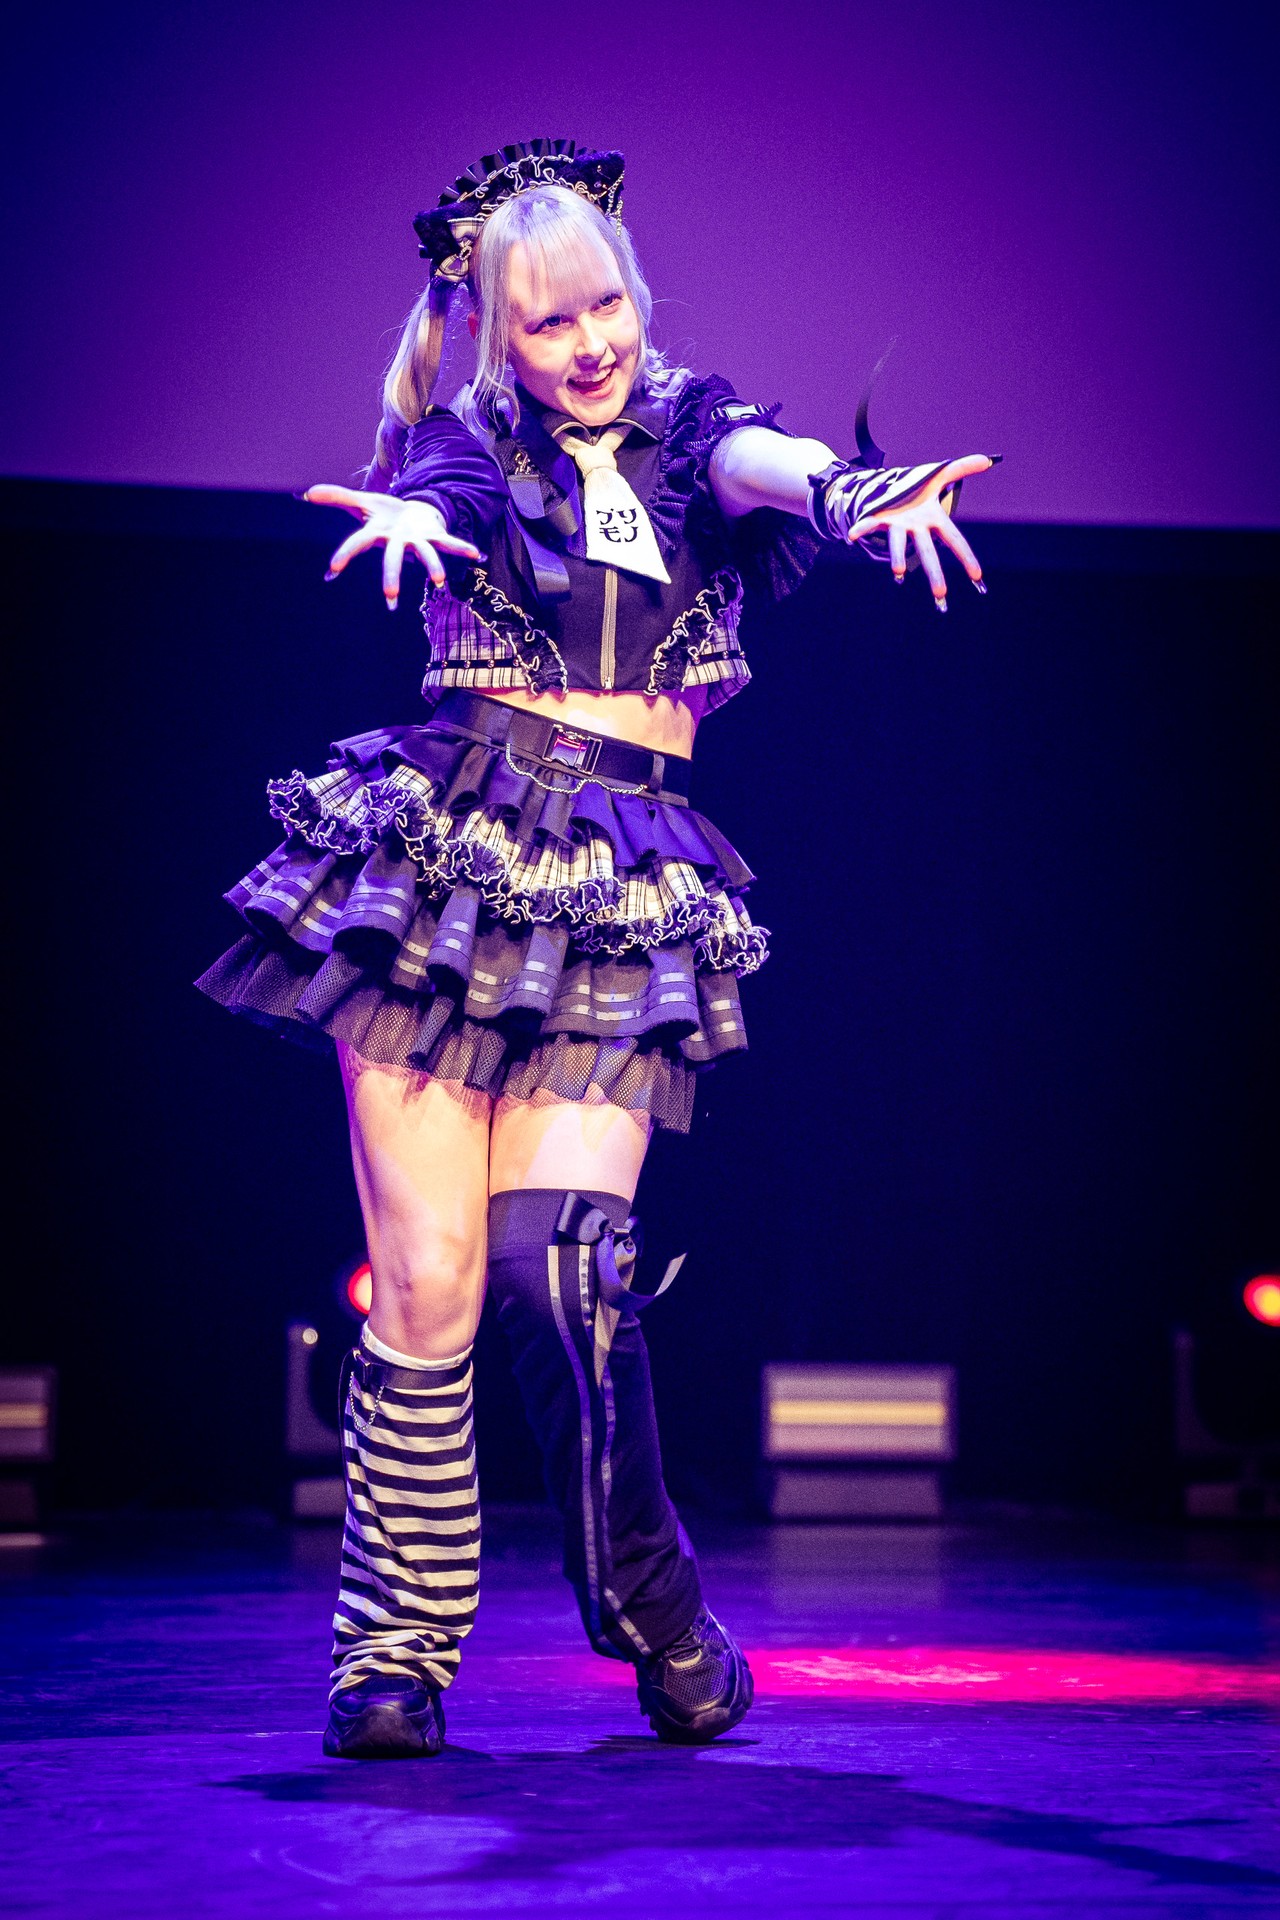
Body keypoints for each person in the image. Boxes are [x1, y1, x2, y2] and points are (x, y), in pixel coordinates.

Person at [197, 139, 994, 1760]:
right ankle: (392, 1653)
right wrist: (412, 516)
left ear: (639, 296)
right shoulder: (469, 442)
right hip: (444, 859)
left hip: (621, 877)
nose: (590, 344)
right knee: (427, 1286)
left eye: (607, 306)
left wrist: (856, 492)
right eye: (550, 320)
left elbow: (771, 462)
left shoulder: (687, 426)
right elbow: (447, 495)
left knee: (562, 1272)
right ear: (500, 329)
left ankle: (654, 1606)